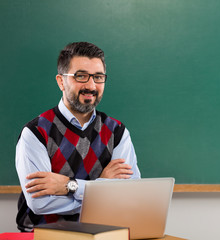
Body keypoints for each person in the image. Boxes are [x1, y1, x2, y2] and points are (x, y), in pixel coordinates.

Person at [15, 42, 141, 232]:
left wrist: (69, 186)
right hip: (45, 235)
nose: (91, 85)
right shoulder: (35, 133)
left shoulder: (117, 132)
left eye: (98, 77)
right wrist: (102, 188)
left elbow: (129, 196)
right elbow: (40, 204)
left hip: (100, 233)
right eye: (81, 76)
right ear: (61, 81)